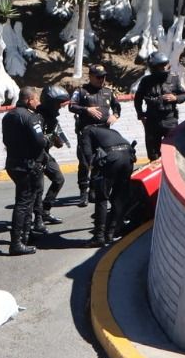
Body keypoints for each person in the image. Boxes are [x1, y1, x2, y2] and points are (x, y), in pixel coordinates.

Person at [78, 105, 135, 247]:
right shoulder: (112, 131)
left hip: (112, 157)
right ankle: (111, 233)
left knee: (101, 198)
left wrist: (93, 172)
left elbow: (87, 154)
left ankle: (99, 237)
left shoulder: (87, 131)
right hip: (128, 156)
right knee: (118, 197)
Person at [0, 87, 48, 256]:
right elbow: (40, 141)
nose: (39, 103)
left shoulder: (8, 116)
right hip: (26, 165)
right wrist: (47, 138)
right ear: (29, 100)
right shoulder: (30, 117)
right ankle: (17, 243)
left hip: (13, 163)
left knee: (27, 200)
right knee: (24, 203)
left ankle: (25, 235)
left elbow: (5, 140)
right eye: (36, 99)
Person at [69, 65, 120, 207]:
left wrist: (115, 116)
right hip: (86, 132)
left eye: (103, 76)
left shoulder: (108, 92)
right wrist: (86, 110)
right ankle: (83, 192)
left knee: (101, 162)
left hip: (103, 132)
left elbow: (117, 107)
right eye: (98, 77)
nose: (101, 79)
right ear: (90, 76)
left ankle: (93, 189)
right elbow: (72, 106)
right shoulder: (81, 91)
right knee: (85, 162)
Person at [134, 53, 185, 160]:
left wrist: (175, 98)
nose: (164, 67)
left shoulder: (173, 79)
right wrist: (141, 115)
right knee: (153, 154)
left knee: (174, 152)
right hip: (152, 122)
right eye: (160, 65)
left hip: (170, 120)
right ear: (153, 67)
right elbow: (138, 99)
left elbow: (184, 95)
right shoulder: (146, 81)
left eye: (165, 64)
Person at [34, 84, 72, 232]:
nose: (60, 108)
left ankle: (45, 210)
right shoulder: (37, 117)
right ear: (50, 103)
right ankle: (37, 220)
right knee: (38, 189)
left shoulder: (53, 119)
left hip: (45, 154)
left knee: (59, 179)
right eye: (58, 104)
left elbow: (59, 143)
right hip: (35, 156)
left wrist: (56, 137)